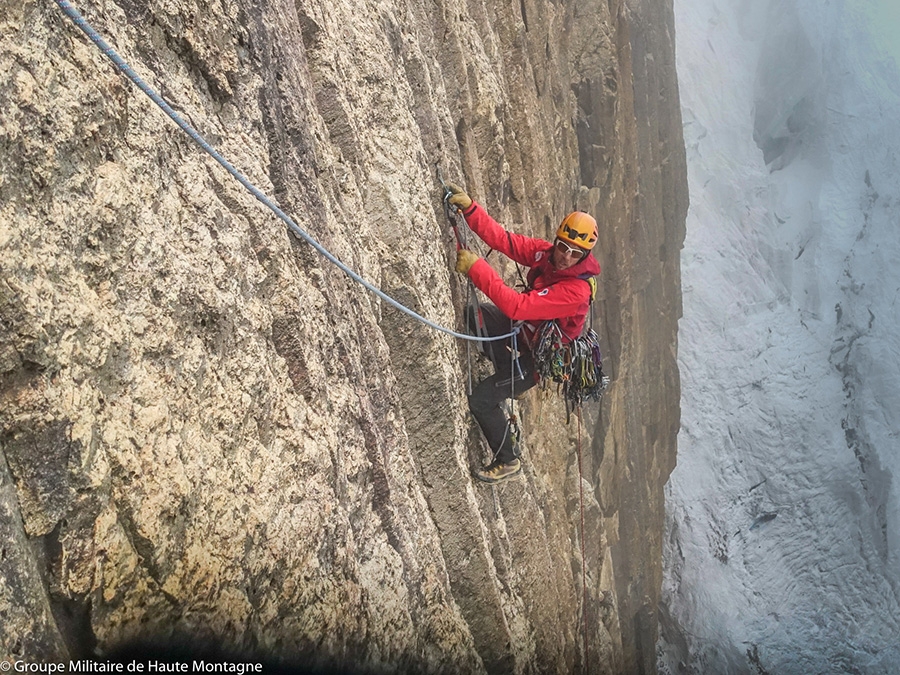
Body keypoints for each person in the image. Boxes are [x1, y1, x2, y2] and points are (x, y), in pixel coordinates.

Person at [446, 183, 601, 484]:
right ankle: (506, 374)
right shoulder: (548, 255)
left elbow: (517, 307)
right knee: (474, 315)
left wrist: (477, 269)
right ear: (557, 240)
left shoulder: (575, 291)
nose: (565, 256)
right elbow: (508, 242)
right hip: (527, 334)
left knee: (481, 400)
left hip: (539, 359)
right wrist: (470, 210)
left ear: (584, 257)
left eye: (574, 253)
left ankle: (508, 460)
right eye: (563, 246)